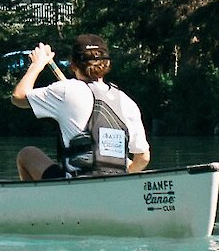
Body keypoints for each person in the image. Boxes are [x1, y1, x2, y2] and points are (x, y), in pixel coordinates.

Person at [11, 33, 150, 180]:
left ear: (73, 65)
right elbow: (143, 158)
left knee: (27, 154)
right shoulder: (127, 102)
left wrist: (37, 65)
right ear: (107, 63)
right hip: (115, 183)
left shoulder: (66, 90)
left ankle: (40, 202)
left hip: (76, 183)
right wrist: (125, 176)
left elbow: (18, 97)